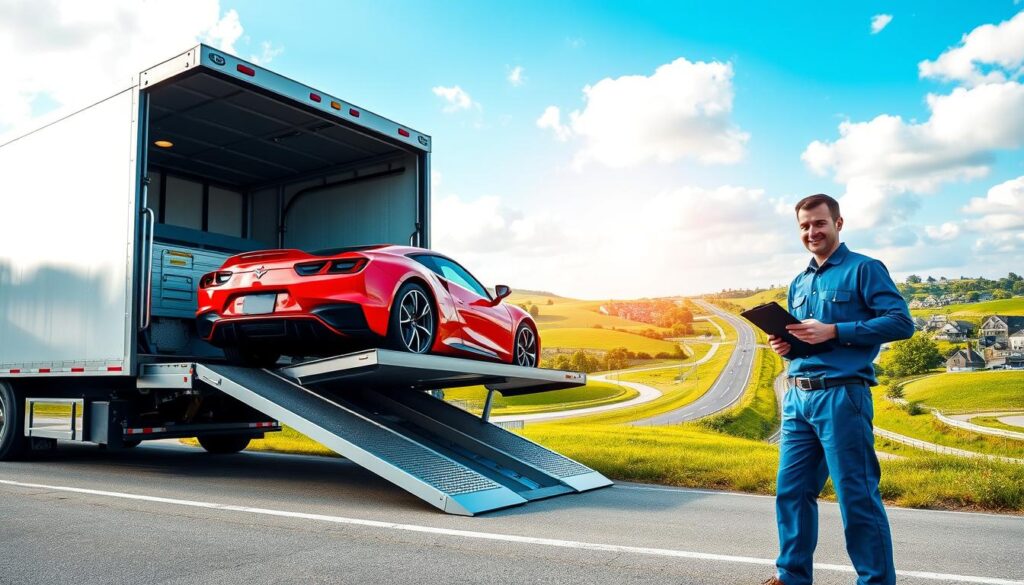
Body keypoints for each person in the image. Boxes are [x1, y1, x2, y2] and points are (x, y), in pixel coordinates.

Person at [761, 193, 914, 585]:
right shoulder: (799, 281)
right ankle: (791, 577)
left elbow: (901, 323)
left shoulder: (865, 269)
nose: (812, 231)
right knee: (791, 493)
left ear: (838, 224)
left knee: (857, 498)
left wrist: (836, 330)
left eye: (819, 223)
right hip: (798, 397)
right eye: (804, 226)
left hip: (842, 396)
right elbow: (805, 340)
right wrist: (786, 347)